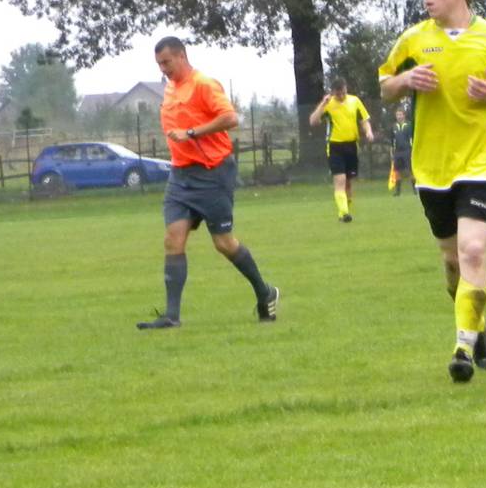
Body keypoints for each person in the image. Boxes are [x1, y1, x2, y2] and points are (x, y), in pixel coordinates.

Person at [379, 0, 486, 384]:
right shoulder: (412, 40)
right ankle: (478, 328)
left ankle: (462, 348)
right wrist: (406, 82)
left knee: (474, 251)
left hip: (483, 161)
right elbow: (385, 85)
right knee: (451, 263)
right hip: (431, 166)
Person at [137, 37, 279, 330]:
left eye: (167, 62)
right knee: (173, 239)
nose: (163, 69)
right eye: (159, 64)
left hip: (213, 173)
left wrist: (192, 132)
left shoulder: (204, 84)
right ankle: (172, 316)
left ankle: (264, 292)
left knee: (224, 243)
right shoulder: (170, 88)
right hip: (181, 176)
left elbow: (230, 118)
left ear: (181, 56)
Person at [308, 77, 374, 221]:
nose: (342, 96)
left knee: (348, 183)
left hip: (352, 146)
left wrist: (368, 131)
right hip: (335, 146)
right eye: (338, 94)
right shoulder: (328, 104)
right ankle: (344, 213)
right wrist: (322, 104)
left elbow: (364, 120)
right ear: (333, 92)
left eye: (343, 92)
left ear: (346, 89)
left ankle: (345, 211)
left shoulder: (355, 101)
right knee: (340, 180)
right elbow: (313, 121)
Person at [387, 107, 413, 195]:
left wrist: (412, 151)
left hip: (407, 151)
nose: (399, 116)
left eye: (400, 114)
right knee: (397, 171)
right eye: (397, 115)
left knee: (410, 170)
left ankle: (415, 190)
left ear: (404, 115)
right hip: (397, 152)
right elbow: (392, 141)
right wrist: (391, 152)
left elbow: (412, 138)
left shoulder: (409, 125)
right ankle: (398, 192)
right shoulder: (393, 126)